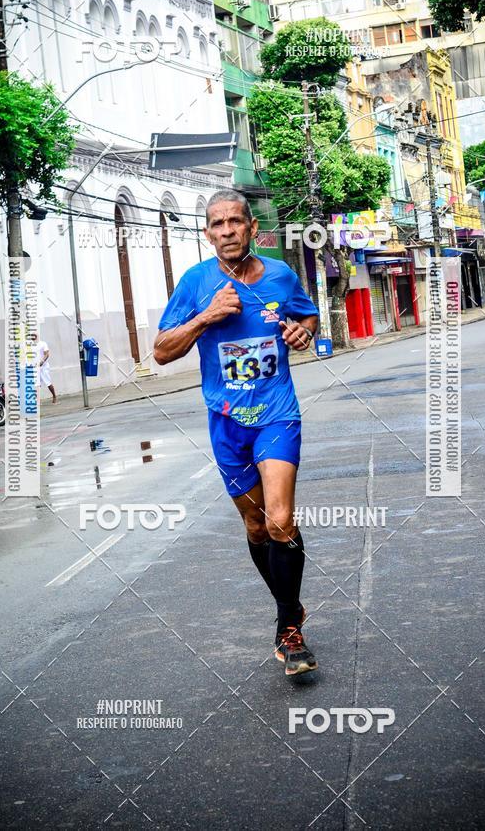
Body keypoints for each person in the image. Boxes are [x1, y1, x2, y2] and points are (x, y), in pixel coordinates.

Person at [153, 189, 319, 676]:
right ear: (208, 233)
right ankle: (290, 607)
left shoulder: (281, 276)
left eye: (234, 222)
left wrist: (302, 331)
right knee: (254, 525)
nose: (226, 230)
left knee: (280, 518)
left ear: (251, 228)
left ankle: (290, 627)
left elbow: (306, 315)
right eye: (216, 224)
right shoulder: (195, 283)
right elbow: (162, 351)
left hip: (277, 413)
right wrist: (206, 316)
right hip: (226, 419)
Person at [34, 333, 57, 403]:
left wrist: (42, 361)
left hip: (44, 367)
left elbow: (47, 353)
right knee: (36, 384)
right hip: (35, 367)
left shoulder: (43, 343)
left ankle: (54, 396)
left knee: (48, 382)